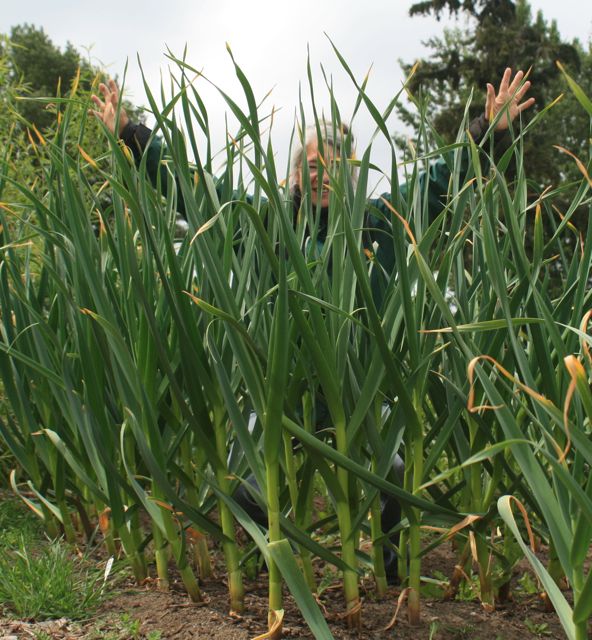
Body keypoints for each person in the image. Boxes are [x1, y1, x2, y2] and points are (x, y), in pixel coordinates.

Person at [90, 68, 534, 584]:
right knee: (246, 474)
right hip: (281, 391)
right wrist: (132, 134)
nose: (321, 175)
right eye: (311, 166)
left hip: (362, 393)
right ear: (295, 174)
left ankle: (389, 575)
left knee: (391, 469)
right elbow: (195, 189)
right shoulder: (268, 226)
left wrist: (487, 132)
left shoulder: (381, 223)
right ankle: (260, 567)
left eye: (334, 166)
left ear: (352, 173)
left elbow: (439, 181)